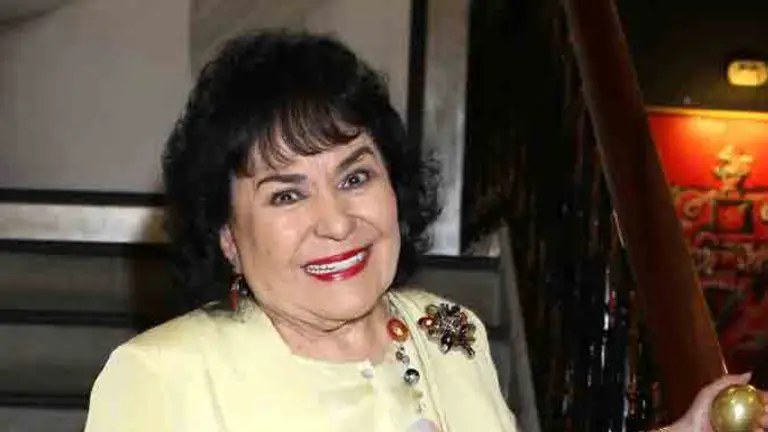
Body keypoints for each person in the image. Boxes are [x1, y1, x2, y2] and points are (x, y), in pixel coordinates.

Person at [84, 31, 768, 432]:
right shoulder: (165, 376)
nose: (337, 221)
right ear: (227, 237)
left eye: (355, 176)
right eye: (286, 194)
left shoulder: (450, 332)